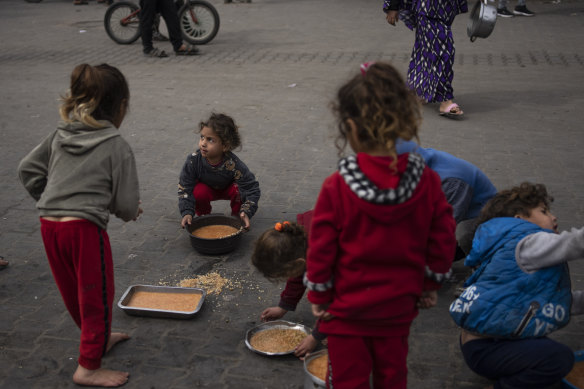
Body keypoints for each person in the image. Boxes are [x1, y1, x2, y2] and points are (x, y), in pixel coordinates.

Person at [303, 61, 457, 389]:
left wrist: (319, 292)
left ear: (351, 128)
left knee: (348, 380)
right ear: (404, 123)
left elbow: (321, 247)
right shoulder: (427, 181)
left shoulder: (338, 185)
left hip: (346, 313)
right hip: (398, 309)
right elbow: (443, 235)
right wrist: (431, 283)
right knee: (392, 377)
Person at [17, 63, 142, 388]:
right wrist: (127, 211)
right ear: (121, 107)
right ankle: (88, 367)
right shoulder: (116, 145)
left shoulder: (61, 132)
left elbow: (27, 169)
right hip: (84, 231)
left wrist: (54, 201)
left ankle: (96, 342)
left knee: (74, 292)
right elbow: (127, 205)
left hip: (49, 224)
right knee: (97, 296)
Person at [450, 182, 584, 389]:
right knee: (558, 359)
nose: (553, 217)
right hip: (489, 347)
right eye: (543, 211)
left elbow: (549, 301)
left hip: (487, 343)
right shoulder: (528, 243)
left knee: (551, 361)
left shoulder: (511, 249)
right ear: (519, 219)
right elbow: (575, 243)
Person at [396, 140, 497, 259]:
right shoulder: (419, 158)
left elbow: (445, 224)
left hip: (482, 217)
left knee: (462, 235)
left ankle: (477, 261)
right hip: (444, 204)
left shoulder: (451, 181)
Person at [251, 210, 325, 358]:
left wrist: (316, 336)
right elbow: (298, 274)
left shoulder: (324, 261)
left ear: (299, 263)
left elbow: (338, 302)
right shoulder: (295, 239)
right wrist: (284, 306)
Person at [383, 0, 468, 119]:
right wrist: (393, 6)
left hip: (445, 9)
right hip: (426, 8)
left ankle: (419, 91)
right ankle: (445, 100)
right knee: (444, 52)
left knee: (425, 49)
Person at [178, 113, 260, 230]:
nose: (203, 143)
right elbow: (185, 188)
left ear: (225, 146)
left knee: (238, 190)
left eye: (210, 140)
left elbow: (251, 188)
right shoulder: (193, 161)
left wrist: (247, 211)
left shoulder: (234, 164)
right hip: (207, 190)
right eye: (202, 137)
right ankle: (204, 218)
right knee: (199, 192)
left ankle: (237, 218)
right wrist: (186, 212)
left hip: (229, 189)